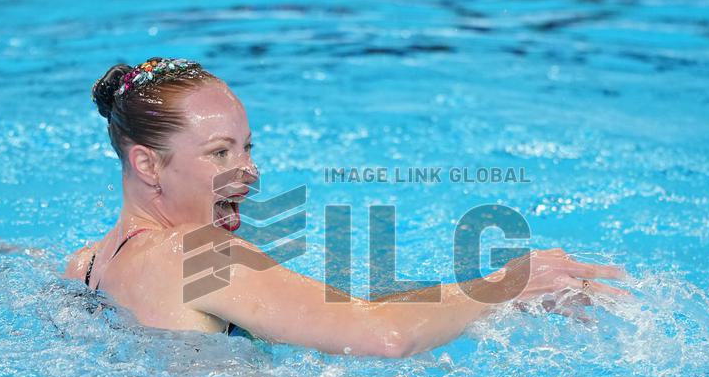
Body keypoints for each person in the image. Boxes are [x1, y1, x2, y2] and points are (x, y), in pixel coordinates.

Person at [63, 57, 629, 358]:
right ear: (147, 165)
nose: (249, 170)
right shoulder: (198, 254)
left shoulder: (87, 266)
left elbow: (337, 313)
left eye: (247, 147)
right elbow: (382, 337)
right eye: (219, 152)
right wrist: (506, 285)